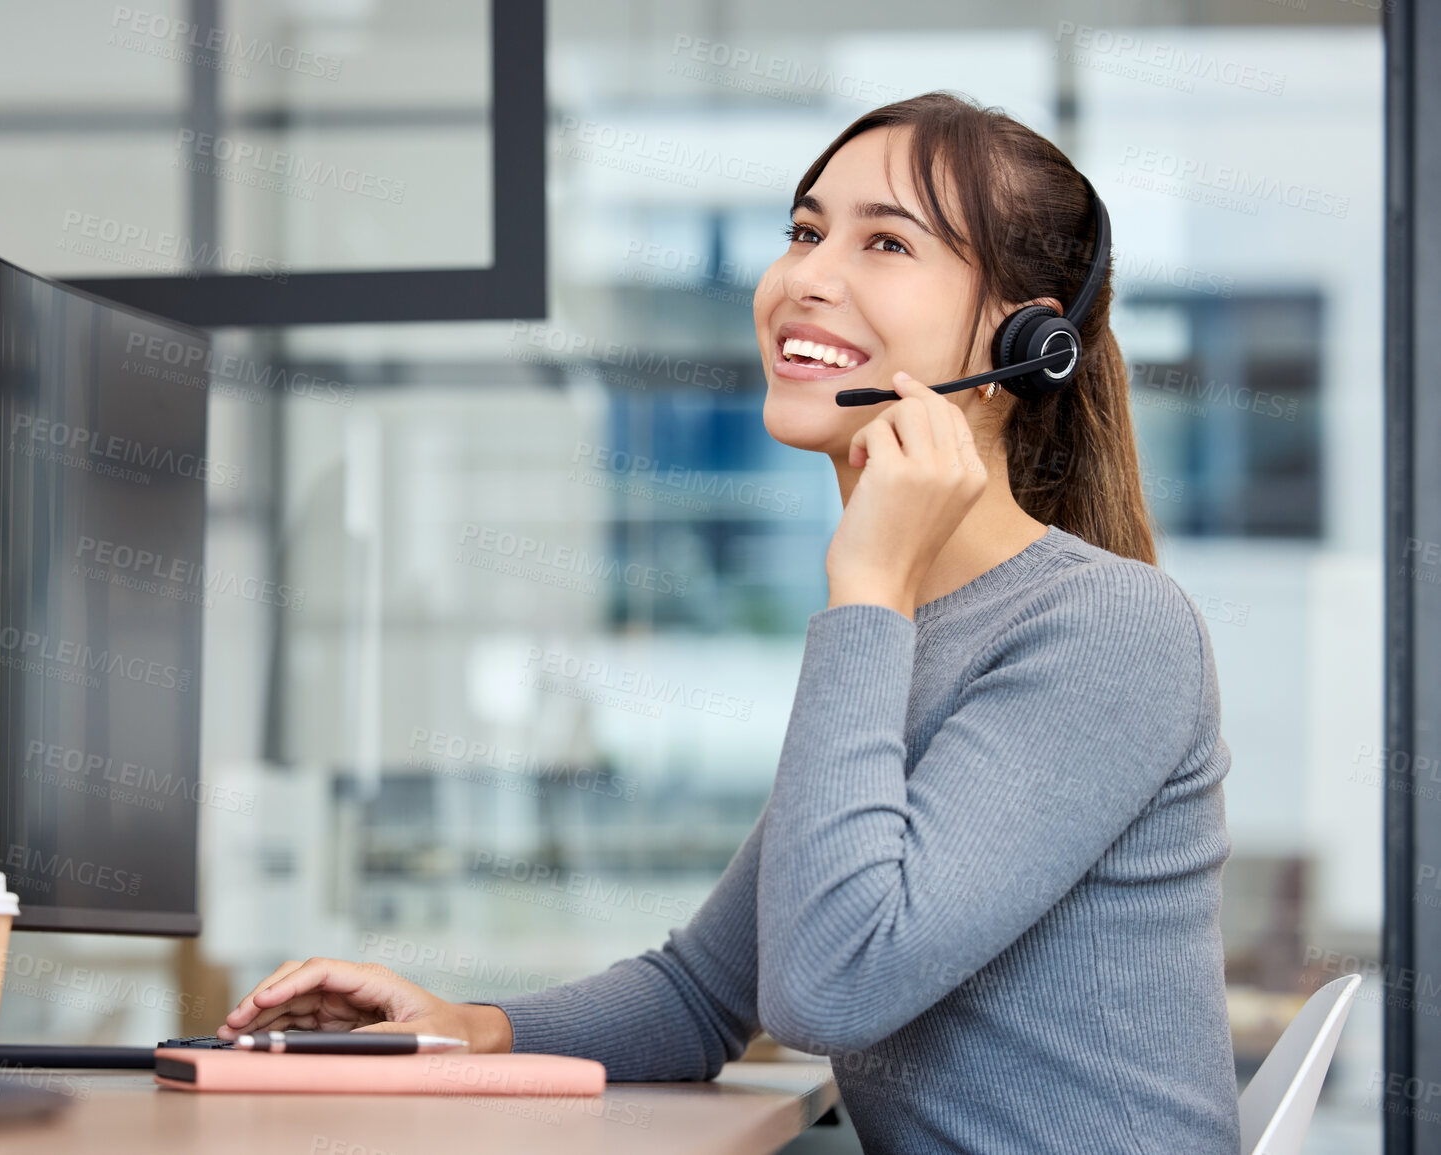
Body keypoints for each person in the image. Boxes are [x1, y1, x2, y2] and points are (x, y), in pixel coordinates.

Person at [218, 91, 1240, 1153]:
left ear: (1023, 338)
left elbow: (832, 987)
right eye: (804, 232)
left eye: (886, 241)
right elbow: (705, 992)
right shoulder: (912, 625)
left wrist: (869, 591)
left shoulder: (1107, 628)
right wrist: (463, 1027)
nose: (806, 277)